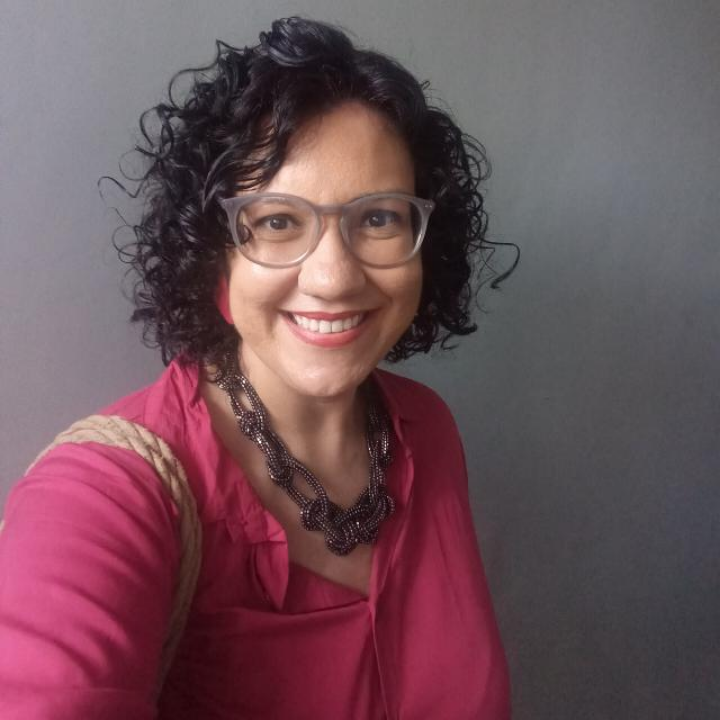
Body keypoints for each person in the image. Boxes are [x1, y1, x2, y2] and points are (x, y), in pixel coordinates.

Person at [0, 17, 515, 719]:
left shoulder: (428, 429)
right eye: (277, 221)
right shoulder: (107, 494)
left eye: (379, 219)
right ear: (212, 251)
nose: (333, 277)